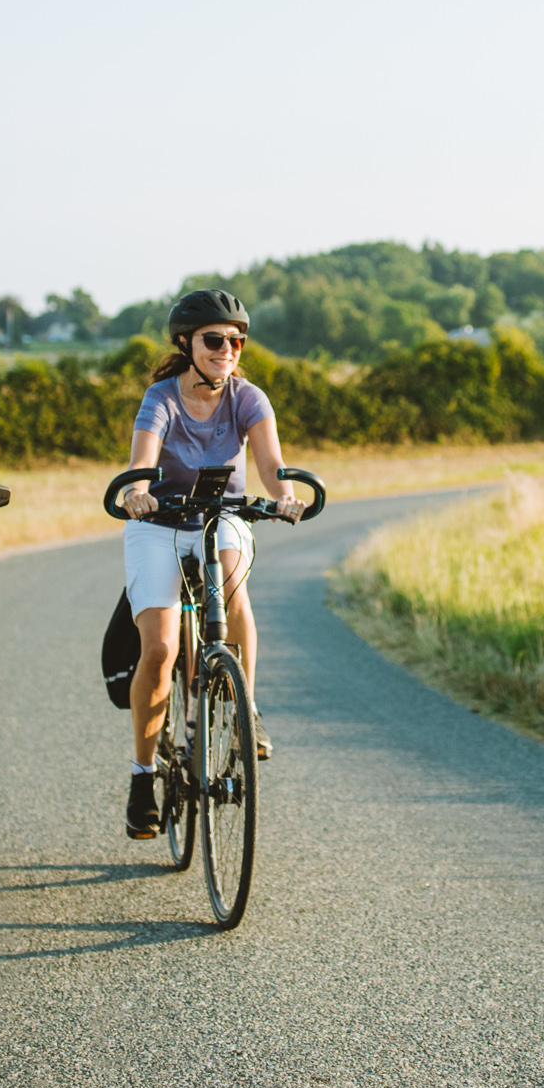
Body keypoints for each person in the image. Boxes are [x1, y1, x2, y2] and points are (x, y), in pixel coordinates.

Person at [115, 288, 305, 839]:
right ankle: (143, 774)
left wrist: (285, 495)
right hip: (160, 525)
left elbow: (272, 465)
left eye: (236, 340)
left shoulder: (248, 397)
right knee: (161, 648)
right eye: (215, 340)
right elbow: (141, 463)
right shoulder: (162, 398)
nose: (228, 349)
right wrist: (138, 492)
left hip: (222, 516)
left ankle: (245, 704)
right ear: (187, 343)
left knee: (232, 580)